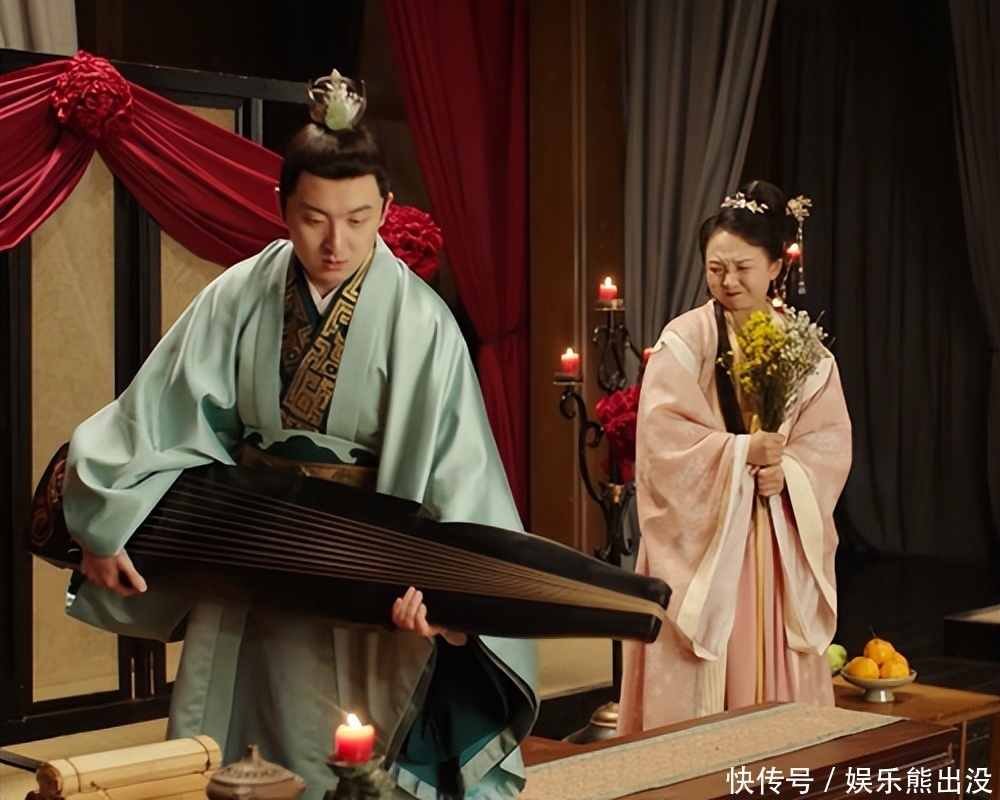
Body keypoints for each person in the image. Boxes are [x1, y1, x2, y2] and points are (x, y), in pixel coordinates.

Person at [60, 70, 538, 800]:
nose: (335, 242)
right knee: (235, 739)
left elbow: (460, 472)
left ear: (386, 209)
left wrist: (453, 593)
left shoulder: (421, 323)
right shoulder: (240, 294)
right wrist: (104, 519)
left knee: (352, 750)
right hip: (253, 554)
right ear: (284, 206)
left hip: (364, 569)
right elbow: (157, 410)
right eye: (314, 218)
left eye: (358, 218)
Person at [617, 180, 852, 733]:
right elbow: (663, 442)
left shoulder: (806, 350)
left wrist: (786, 473)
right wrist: (743, 451)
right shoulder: (685, 340)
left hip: (773, 539)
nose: (728, 281)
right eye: (716, 268)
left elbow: (828, 443)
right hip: (702, 539)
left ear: (775, 267)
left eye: (743, 268)